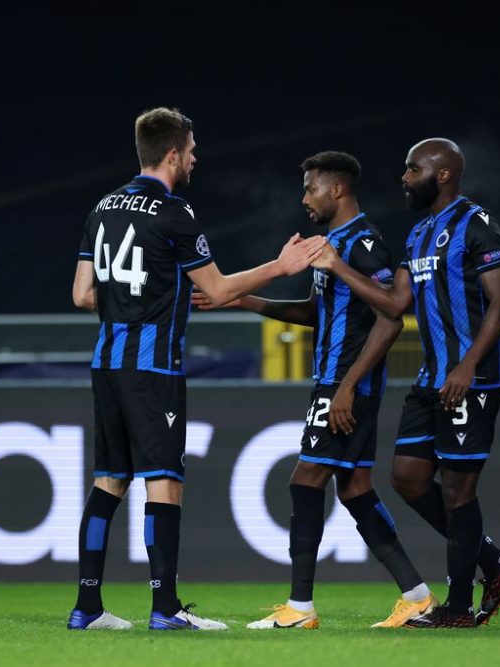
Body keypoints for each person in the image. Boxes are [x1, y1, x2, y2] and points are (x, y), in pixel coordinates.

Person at [69, 107, 324, 631]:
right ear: (171, 154)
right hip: (153, 367)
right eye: (189, 150)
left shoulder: (102, 208)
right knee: (163, 482)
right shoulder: (175, 213)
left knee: (108, 479)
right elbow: (220, 289)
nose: (194, 158)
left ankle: (87, 607)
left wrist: (135, 298)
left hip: (106, 362)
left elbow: (80, 294)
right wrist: (282, 265)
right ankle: (165, 609)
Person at [192, 151, 437, 628]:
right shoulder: (332, 242)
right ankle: (418, 597)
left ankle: (300, 607)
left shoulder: (362, 243)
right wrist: (244, 300)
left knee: (304, 482)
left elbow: (391, 318)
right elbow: (314, 311)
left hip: (346, 385)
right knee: (356, 490)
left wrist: (346, 387)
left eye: (311, 188)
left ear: (338, 189)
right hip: (338, 382)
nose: (305, 198)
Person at [310, 138, 500, 628]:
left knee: (457, 490)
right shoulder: (418, 233)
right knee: (406, 476)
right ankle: (494, 564)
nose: (404, 179)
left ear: (443, 173)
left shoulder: (476, 223)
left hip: (474, 377)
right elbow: (396, 301)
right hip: (432, 378)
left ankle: (458, 607)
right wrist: (338, 266)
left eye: (412, 170)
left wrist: (469, 364)